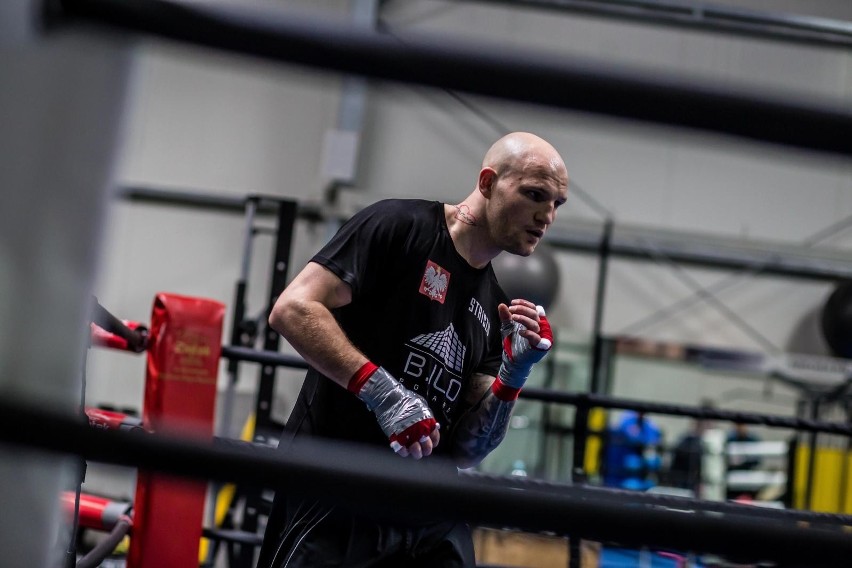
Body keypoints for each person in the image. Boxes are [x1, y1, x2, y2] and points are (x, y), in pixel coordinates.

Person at [256, 132, 569, 568]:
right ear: (487, 183)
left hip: (426, 514)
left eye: (557, 203)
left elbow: (466, 450)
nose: (547, 215)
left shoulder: (492, 301)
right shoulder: (400, 227)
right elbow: (292, 308)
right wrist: (382, 393)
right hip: (340, 486)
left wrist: (513, 377)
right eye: (535, 195)